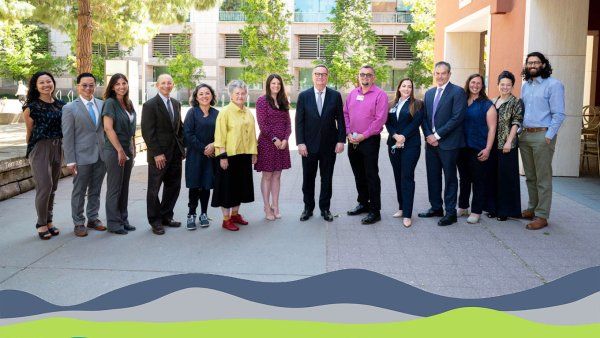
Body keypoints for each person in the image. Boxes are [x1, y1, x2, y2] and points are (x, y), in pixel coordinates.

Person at [519, 52, 565, 230]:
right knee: (530, 176)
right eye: (529, 62)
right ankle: (532, 208)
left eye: (536, 62)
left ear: (543, 65)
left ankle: (542, 215)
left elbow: (559, 114)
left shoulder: (554, 85)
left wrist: (549, 135)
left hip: (542, 135)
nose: (532, 65)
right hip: (526, 135)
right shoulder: (526, 86)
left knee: (543, 178)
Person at [418, 61, 467, 226]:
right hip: (430, 143)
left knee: (450, 178)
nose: (440, 76)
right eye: (437, 73)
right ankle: (436, 207)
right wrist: (428, 135)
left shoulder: (458, 92)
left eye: (443, 73)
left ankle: (450, 212)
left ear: (449, 74)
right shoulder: (429, 93)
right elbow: (423, 117)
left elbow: (457, 118)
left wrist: (437, 135)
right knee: (433, 176)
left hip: (449, 143)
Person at [296, 65, 346, 222]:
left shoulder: (335, 96)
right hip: (308, 147)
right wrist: (300, 143)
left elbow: (341, 120)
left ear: (327, 77)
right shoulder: (304, 96)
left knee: (327, 178)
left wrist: (340, 140)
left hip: (329, 146)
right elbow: (299, 121)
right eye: (317, 74)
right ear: (312, 76)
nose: (320, 77)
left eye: (323, 74)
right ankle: (308, 208)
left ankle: (325, 209)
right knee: (308, 178)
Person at [61, 73, 107, 237]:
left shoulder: (102, 105)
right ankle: (79, 222)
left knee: (96, 189)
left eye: (91, 85)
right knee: (79, 191)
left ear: (95, 86)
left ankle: (93, 218)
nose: (88, 88)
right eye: (84, 85)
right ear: (78, 86)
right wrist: (70, 160)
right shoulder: (69, 108)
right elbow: (67, 136)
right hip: (81, 157)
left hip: (101, 156)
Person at [141, 74, 185, 235]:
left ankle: (167, 216)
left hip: (175, 154)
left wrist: (182, 147)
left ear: (172, 85)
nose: (167, 85)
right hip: (158, 155)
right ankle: (155, 221)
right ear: (157, 86)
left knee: (173, 187)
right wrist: (157, 153)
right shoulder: (150, 105)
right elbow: (148, 132)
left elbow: (179, 127)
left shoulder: (175, 103)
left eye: (169, 83)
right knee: (154, 189)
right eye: (163, 83)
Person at [23, 71, 64, 240]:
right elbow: (29, 132)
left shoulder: (62, 105)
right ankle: (40, 223)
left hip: (58, 146)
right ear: (36, 86)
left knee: (53, 186)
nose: (46, 85)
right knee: (44, 186)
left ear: (53, 83)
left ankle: (49, 221)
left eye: (49, 81)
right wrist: (31, 151)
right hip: (40, 147)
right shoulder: (31, 107)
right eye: (42, 82)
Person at [212, 80, 258, 231]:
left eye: (243, 93)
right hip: (229, 156)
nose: (240, 96)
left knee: (240, 187)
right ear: (231, 95)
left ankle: (235, 215)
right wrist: (222, 156)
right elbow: (220, 135)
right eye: (237, 93)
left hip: (244, 155)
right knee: (227, 189)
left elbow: (252, 134)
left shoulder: (248, 112)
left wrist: (253, 152)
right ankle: (226, 219)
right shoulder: (225, 112)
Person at [456, 74, 497, 224]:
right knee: (464, 179)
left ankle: (476, 211)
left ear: (482, 86)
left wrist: (488, 149)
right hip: (461, 147)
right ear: (468, 83)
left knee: (478, 180)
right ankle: (463, 206)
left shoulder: (487, 104)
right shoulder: (462, 101)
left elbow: (492, 129)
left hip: (478, 147)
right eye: (473, 82)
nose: (475, 85)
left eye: (479, 83)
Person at [385, 78, 424, 228]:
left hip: (411, 145)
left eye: (409, 86)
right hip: (393, 144)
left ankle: (408, 214)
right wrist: (395, 136)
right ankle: (401, 208)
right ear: (399, 87)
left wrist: (403, 137)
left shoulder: (418, 104)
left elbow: (416, 123)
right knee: (397, 176)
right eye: (404, 86)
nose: (407, 89)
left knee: (407, 177)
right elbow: (387, 122)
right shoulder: (391, 104)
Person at [102, 73, 137, 235]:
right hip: (114, 150)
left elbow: (131, 129)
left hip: (127, 149)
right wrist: (120, 150)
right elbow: (108, 128)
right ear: (112, 86)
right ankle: (114, 223)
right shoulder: (110, 103)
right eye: (117, 84)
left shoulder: (128, 103)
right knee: (115, 187)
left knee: (124, 187)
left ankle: (123, 219)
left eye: (124, 83)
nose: (121, 86)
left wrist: (132, 148)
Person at [255, 74, 292, 220]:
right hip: (267, 144)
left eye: (278, 83)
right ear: (268, 85)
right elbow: (262, 124)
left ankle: (276, 206)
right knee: (267, 176)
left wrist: (285, 139)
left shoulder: (283, 101)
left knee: (277, 175)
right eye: (273, 83)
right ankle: (266, 207)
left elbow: (288, 123)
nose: (276, 86)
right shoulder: (262, 101)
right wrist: (274, 138)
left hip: (282, 145)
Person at [488, 70, 523, 221]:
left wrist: (509, 141)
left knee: (506, 178)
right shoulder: (493, 101)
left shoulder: (516, 102)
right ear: (498, 85)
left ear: (512, 86)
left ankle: (505, 211)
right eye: (502, 84)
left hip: (507, 145)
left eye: (508, 85)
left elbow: (516, 122)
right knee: (493, 177)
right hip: (493, 144)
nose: (505, 87)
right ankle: (493, 208)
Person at [183, 84, 219, 230]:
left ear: (212, 96)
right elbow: (188, 134)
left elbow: (222, 134)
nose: (204, 96)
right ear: (196, 97)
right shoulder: (192, 113)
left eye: (207, 93)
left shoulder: (217, 114)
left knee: (206, 186)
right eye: (201, 94)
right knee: (194, 185)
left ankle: (203, 213)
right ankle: (191, 214)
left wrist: (213, 145)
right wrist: (204, 148)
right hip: (195, 155)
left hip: (211, 156)